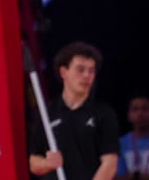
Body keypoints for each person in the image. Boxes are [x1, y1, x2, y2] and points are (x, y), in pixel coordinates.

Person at [28, 41, 119, 180]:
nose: (87, 75)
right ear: (64, 72)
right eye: (80, 69)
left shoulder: (104, 114)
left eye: (91, 70)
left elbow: (109, 163)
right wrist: (47, 164)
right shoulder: (46, 113)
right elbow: (33, 162)